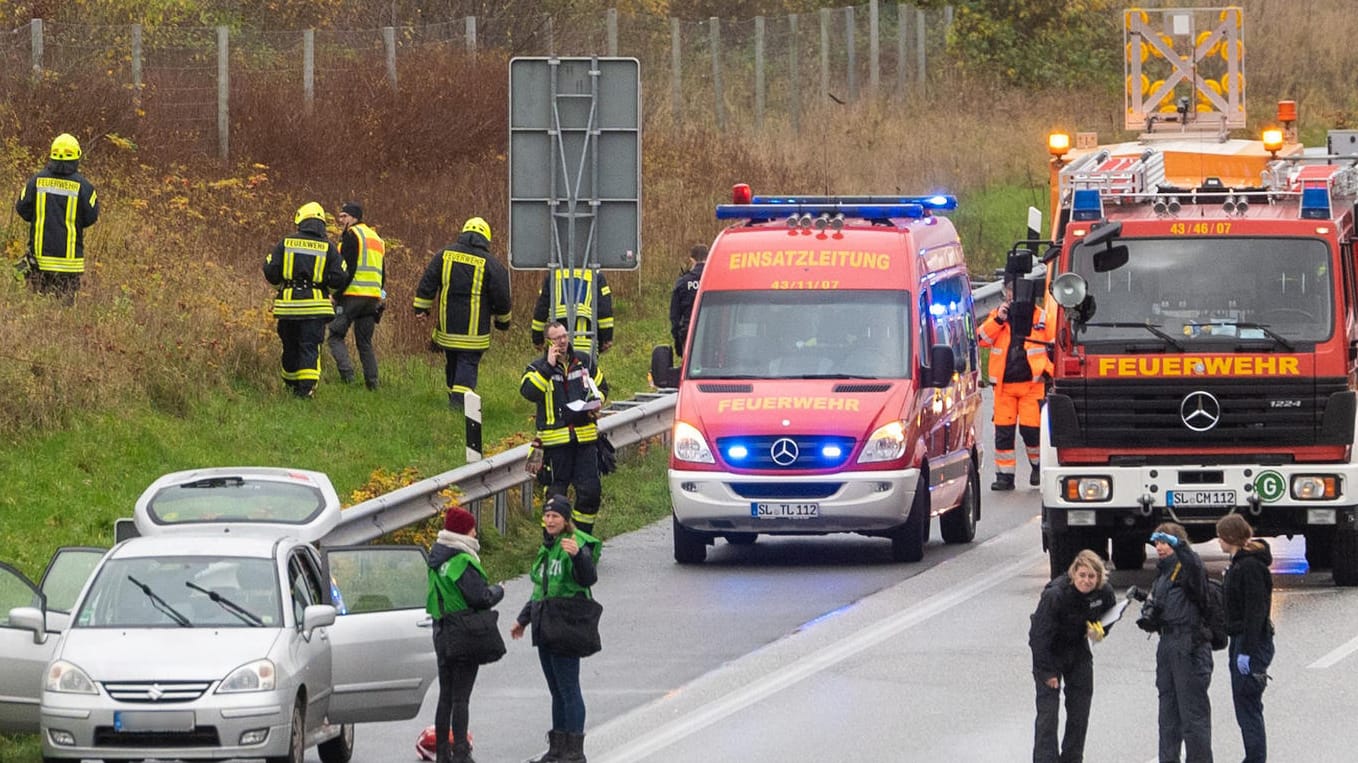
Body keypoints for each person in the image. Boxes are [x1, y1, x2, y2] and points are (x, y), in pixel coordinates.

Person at [510, 494, 601, 763]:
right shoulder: (547, 547)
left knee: (569, 688)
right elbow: (541, 588)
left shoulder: (574, 545)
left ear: (566, 520)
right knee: (556, 690)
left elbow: (588, 579)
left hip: (566, 624)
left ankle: (574, 751)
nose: (550, 520)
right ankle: (557, 749)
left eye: (555, 516)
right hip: (545, 624)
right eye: (547, 516)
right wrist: (523, 619)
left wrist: (579, 557)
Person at [426, 506, 504, 763]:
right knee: (461, 698)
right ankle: (460, 752)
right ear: (462, 532)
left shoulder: (436, 560)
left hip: (441, 630)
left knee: (445, 696)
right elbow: (480, 597)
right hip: (464, 632)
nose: (475, 532)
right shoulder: (461, 561)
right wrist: (497, 591)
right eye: (472, 528)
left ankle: (441, 754)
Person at [414, 217, 512, 411]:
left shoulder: (444, 255)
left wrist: (421, 309)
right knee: (467, 363)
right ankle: (459, 406)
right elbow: (502, 296)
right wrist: (503, 322)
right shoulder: (491, 263)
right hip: (474, 333)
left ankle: (454, 397)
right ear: (486, 239)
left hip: (447, 327)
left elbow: (428, 281)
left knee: (452, 361)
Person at [520, 321, 609, 534]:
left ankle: (581, 539)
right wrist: (548, 367)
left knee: (590, 492)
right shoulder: (536, 368)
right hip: (555, 447)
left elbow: (602, 386)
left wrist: (597, 403)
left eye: (564, 336)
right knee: (555, 499)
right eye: (557, 338)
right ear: (547, 343)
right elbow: (530, 392)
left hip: (585, 440)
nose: (562, 341)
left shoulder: (583, 361)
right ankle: (552, 543)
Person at [1029, 549, 1116, 763]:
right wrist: (1047, 672)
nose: (1086, 581)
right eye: (1082, 575)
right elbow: (1038, 637)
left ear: (1098, 578)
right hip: (1051, 651)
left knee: (1079, 711)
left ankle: (1072, 758)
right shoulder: (1055, 594)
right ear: (1074, 575)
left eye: (1091, 577)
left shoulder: (1103, 592)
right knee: (1048, 715)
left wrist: (1100, 631)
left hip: (1078, 650)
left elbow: (1111, 615)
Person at [1140, 522, 1213, 763]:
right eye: (1158, 542)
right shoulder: (1163, 573)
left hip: (1189, 644)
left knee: (1193, 717)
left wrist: (1179, 546)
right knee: (1168, 716)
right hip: (1168, 643)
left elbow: (1194, 567)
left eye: (1165, 542)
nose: (1160, 547)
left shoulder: (1189, 567)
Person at [263, 202, 347, 398]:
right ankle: (306, 391)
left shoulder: (286, 242)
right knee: (310, 346)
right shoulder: (329, 247)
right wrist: (327, 289)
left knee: (289, 345)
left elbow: (270, 269)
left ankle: (290, 386)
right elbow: (341, 275)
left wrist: (281, 287)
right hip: (315, 306)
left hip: (288, 306)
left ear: (300, 220)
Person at [977, 276, 1053, 489]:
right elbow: (981, 340)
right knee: (1003, 433)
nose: (1011, 294)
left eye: (1015, 290)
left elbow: (1055, 346)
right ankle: (1004, 477)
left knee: (1031, 431)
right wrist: (999, 321)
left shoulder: (1041, 317)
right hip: (1004, 388)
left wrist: (1049, 372)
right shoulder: (998, 316)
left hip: (1032, 385)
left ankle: (1038, 467)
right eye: (1009, 290)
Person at [1215, 514, 1274, 763]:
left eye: (1221, 536)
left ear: (1230, 537)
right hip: (1240, 640)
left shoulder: (1249, 567)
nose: (1218, 541)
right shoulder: (1241, 563)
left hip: (1250, 641)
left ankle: (1255, 759)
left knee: (1248, 704)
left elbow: (1255, 612)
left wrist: (1247, 651)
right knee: (1244, 704)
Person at [15, 133, 99, 303]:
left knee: (37, 311)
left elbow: (22, 208)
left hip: (38, 262)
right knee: (64, 313)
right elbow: (91, 217)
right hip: (70, 265)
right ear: (76, 157)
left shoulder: (36, 181)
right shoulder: (84, 187)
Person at [327, 201, 385, 390]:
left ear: (353, 218)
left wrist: (336, 294)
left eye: (344, 216)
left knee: (335, 335)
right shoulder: (376, 238)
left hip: (352, 295)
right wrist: (379, 296)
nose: (340, 220)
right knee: (365, 342)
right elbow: (382, 273)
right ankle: (372, 383)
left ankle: (347, 376)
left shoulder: (352, 235)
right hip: (372, 298)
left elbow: (347, 269)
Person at [531, 267, 614, 356]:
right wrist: (606, 338)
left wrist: (537, 338)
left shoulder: (554, 275)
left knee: (557, 369)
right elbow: (604, 311)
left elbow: (541, 309)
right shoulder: (596, 275)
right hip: (586, 345)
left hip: (558, 344)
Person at [669, 244, 707, 358]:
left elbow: (675, 316)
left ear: (692, 260)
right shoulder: (715, 278)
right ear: (708, 257)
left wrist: (678, 339)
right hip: (712, 335)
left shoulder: (683, 282)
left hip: (689, 333)